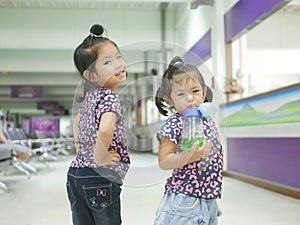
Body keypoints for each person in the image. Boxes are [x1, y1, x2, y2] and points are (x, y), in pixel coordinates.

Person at [66, 24, 130, 225]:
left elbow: (76, 124)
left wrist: (82, 152)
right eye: (108, 62)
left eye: (118, 57)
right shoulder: (109, 97)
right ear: (91, 75)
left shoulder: (88, 99)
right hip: (99, 178)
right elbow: (105, 127)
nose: (118, 64)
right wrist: (100, 157)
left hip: (76, 175)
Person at [153, 56, 223, 225]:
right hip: (184, 200)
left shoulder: (207, 120)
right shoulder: (175, 124)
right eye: (181, 94)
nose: (190, 98)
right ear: (169, 100)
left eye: (195, 91)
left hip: (209, 198)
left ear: (204, 92)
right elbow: (164, 161)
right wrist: (191, 155)